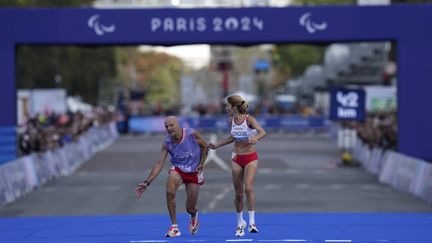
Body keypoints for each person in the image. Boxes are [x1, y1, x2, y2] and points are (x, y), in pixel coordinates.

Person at [133, 116, 208, 237]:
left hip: (194, 171)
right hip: (178, 169)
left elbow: (205, 146)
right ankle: (175, 227)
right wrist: (147, 182)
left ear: (178, 125)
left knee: (190, 208)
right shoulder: (167, 142)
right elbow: (159, 164)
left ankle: (193, 215)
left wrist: (201, 163)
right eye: (166, 126)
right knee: (169, 192)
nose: (169, 128)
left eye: (171, 125)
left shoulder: (191, 134)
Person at [208, 95, 267, 237]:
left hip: (250, 157)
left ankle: (252, 222)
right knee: (239, 193)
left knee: (248, 188)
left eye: (227, 106)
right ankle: (240, 223)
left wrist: (256, 138)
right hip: (236, 157)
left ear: (234, 106)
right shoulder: (231, 120)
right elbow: (233, 137)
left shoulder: (249, 119)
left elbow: (263, 132)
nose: (226, 108)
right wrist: (217, 145)